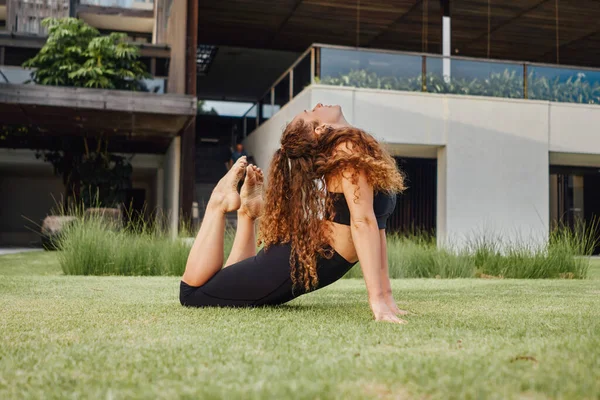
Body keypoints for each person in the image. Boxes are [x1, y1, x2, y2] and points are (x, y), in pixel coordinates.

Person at [180, 103, 407, 324]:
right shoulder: (346, 149)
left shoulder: (355, 147)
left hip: (310, 255)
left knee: (228, 285)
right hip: (295, 262)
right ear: (319, 129)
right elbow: (361, 221)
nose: (318, 105)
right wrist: (376, 302)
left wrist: (386, 298)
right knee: (192, 295)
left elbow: (377, 227)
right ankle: (217, 202)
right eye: (311, 112)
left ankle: (247, 214)